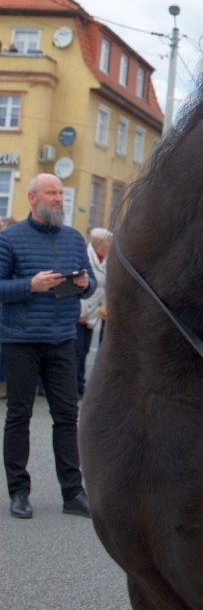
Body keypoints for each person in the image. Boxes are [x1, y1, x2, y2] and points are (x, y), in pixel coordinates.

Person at [0, 174, 96, 519]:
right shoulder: (10, 239)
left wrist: (84, 284)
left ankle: (73, 492)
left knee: (67, 417)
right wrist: (31, 285)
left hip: (62, 340)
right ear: (32, 198)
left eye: (60, 193)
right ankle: (19, 492)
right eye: (51, 193)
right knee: (19, 415)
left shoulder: (73, 239)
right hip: (21, 341)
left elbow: (87, 284)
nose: (58, 198)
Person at [74, 228, 112, 397]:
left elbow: (105, 287)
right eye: (108, 242)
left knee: (84, 350)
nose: (110, 245)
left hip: (94, 312)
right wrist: (80, 312)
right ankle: (73, 385)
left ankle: (79, 383)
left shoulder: (106, 260)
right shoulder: (86, 256)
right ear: (100, 243)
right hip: (81, 309)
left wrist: (105, 306)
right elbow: (78, 284)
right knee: (76, 350)